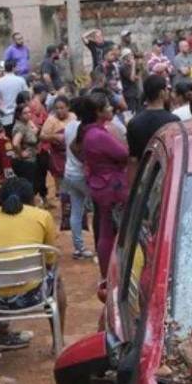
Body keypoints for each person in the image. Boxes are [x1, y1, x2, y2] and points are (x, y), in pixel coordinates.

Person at [0, 177, 64, 347]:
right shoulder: (42, 216)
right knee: (57, 282)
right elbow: (50, 259)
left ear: (1, 197)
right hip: (31, 294)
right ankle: (58, 342)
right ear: (31, 199)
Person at [76, 91, 130, 276]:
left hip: (101, 184)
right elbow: (123, 153)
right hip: (111, 186)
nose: (111, 109)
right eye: (107, 107)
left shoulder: (89, 132)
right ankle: (112, 271)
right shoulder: (98, 135)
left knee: (106, 230)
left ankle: (107, 272)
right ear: (99, 112)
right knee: (115, 230)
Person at [60, 96, 94, 259]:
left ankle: (78, 248)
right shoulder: (86, 128)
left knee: (76, 211)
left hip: (69, 173)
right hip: (83, 175)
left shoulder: (69, 127)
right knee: (100, 210)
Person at [127, 74, 179, 165]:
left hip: (144, 174)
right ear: (162, 93)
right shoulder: (173, 121)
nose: (168, 92)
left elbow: (133, 159)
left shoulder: (134, 123)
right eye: (167, 89)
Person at [9, 100, 43, 199]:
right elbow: (15, 143)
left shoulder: (27, 123)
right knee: (27, 186)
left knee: (29, 184)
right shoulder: (20, 127)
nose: (28, 115)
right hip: (25, 162)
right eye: (25, 113)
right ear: (19, 115)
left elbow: (34, 131)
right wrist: (21, 154)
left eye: (29, 112)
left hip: (31, 160)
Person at [0, 58, 27, 133]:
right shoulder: (21, 80)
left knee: (9, 136)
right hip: (20, 115)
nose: (18, 68)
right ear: (13, 68)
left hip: (6, 116)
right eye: (17, 67)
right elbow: (26, 96)